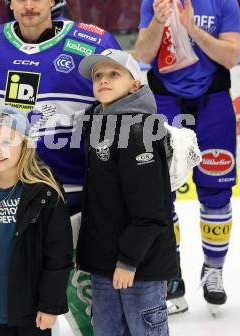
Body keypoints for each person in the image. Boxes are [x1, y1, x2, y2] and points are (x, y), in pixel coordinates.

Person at [0, 0, 121, 216]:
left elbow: (126, 115)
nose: (29, 6)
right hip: (3, 197)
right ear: (9, 0)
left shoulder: (95, 45)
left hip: (75, 195)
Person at [135, 0, 240, 315]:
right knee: (160, 193)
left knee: (216, 189)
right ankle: (171, 273)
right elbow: (143, 56)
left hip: (213, 103)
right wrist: (162, 22)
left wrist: (191, 26)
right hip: (165, 103)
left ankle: (213, 271)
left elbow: (231, 57)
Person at [76, 49, 178, 335]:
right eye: (98, 76)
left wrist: (128, 261)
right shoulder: (101, 126)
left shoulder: (137, 131)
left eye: (114, 74)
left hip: (138, 269)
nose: (103, 80)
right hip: (106, 266)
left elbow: (151, 211)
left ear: (135, 84)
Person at [0, 106, 73, 336]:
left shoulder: (45, 192)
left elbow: (59, 254)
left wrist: (50, 305)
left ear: (25, 145)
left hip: (32, 308)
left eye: (7, 142)